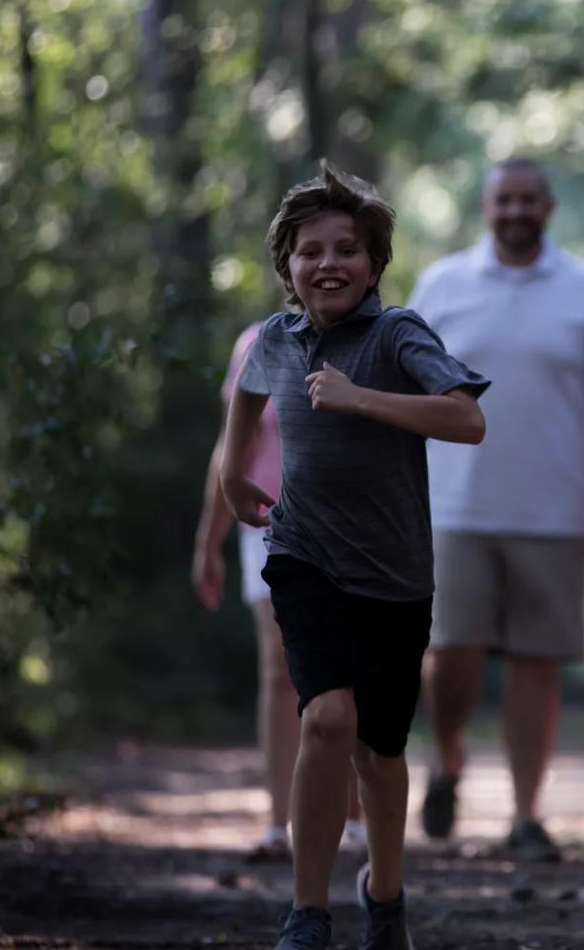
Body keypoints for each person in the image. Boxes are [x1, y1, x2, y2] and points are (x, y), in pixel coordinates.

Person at [219, 164, 490, 950]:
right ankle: (307, 912)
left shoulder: (398, 333)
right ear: (288, 266)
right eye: (310, 250)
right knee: (327, 716)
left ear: (374, 264)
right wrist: (234, 472)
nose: (328, 263)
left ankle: (386, 892)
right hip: (303, 555)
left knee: (380, 749)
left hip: (395, 572)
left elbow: (467, 420)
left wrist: (358, 397)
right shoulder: (276, 338)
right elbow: (248, 394)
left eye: (346, 249)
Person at [408, 157, 584, 861]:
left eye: (528, 200)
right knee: (450, 650)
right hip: (453, 504)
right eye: (503, 200)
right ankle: (448, 758)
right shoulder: (443, 284)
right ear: (486, 208)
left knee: (537, 663)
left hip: (554, 508)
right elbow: (401, 384)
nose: (515, 211)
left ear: (548, 208)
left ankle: (525, 813)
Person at [191, 322, 364, 862]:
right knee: (280, 670)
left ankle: (355, 816)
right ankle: (277, 823)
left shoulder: (376, 340)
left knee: (349, 671)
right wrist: (208, 541)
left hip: (354, 527)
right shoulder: (256, 344)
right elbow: (233, 446)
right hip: (268, 524)